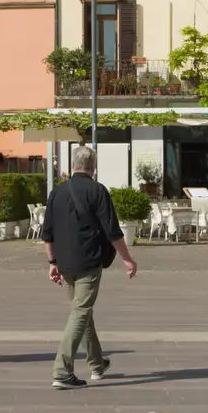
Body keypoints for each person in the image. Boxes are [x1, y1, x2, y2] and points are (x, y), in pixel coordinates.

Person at [41, 144, 138, 389]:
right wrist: (128, 259)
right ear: (93, 166)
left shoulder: (57, 192)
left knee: (84, 312)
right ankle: (62, 371)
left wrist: (52, 262)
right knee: (80, 313)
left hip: (64, 263)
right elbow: (113, 231)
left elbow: (48, 233)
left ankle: (97, 364)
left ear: (72, 166)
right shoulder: (98, 191)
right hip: (89, 262)